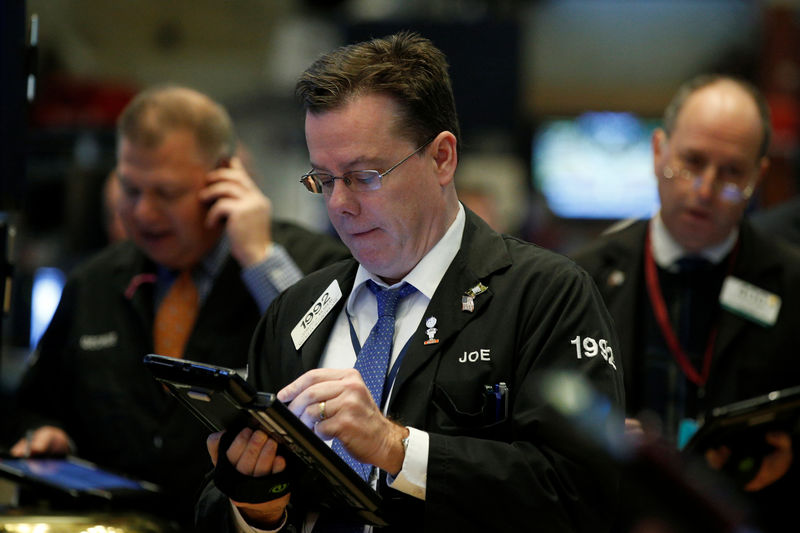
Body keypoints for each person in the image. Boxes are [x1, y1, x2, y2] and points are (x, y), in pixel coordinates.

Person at [196, 31, 624, 533]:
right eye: (323, 179)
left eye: (365, 175)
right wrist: (257, 510)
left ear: (442, 158)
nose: (339, 204)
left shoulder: (545, 295)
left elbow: (586, 494)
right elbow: (215, 506)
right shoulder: (296, 311)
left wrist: (397, 448)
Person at [9, 86, 350, 528]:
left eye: (166, 194)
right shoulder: (94, 281)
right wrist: (44, 435)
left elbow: (336, 376)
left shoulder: (315, 266)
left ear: (225, 180)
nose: (144, 213)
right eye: (131, 189)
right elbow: (35, 403)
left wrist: (260, 261)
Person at [571, 74, 800, 532]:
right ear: (658, 151)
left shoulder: (792, 283)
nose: (704, 190)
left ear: (759, 176)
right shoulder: (581, 277)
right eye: (692, 162)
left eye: (732, 172)